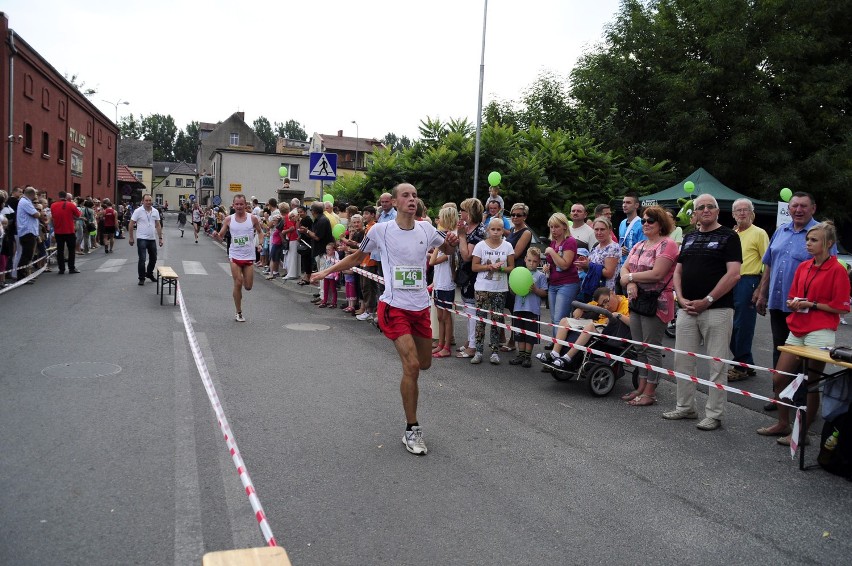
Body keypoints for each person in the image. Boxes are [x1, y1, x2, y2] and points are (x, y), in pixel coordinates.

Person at [310, 183, 459, 456]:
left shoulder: (427, 229)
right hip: (393, 307)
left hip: (420, 307)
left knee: (423, 364)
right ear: (395, 202)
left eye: (415, 195)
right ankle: (411, 428)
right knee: (412, 365)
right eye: (406, 195)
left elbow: (448, 252)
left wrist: (451, 244)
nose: (412, 199)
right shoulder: (380, 230)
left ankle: (410, 403)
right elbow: (357, 256)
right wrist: (324, 273)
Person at [756, 222, 850, 445]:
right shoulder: (804, 266)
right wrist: (794, 302)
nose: (808, 243)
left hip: (820, 331)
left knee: (811, 382)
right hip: (797, 328)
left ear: (829, 244)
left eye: (814, 240)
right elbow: (794, 295)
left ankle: (801, 433)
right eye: (808, 239)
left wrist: (813, 304)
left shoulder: (838, 269)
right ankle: (783, 423)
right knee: (779, 378)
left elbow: (842, 307)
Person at [663, 194, 742, 431]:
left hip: (717, 309)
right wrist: (681, 298)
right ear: (694, 213)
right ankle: (685, 407)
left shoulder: (729, 237)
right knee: (683, 360)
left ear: (718, 211)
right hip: (687, 309)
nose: (705, 210)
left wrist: (707, 300)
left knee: (717, 364)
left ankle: (714, 414)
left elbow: (734, 274)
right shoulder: (689, 237)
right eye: (700, 207)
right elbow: (677, 272)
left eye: (710, 207)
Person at [753, 191, 836, 411]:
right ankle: (780, 397)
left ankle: (801, 401)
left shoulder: (821, 234)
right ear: (788, 209)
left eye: (803, 206)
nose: (798, 210)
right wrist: (762, 292)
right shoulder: (781, 230)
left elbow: (830, 269)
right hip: (779, 302)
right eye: (794, 206)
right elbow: (769, 263)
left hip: (806, 309)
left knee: (805, 358)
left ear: (813, 208)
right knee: (779, 350)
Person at [619, 206, 679, 406]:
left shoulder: (667, 245)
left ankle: (650, 392)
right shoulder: (639, 245)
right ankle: (641, 387)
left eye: (650, 220)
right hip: (637, 300)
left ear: (661, 223)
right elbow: (624, 269)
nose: (645, 224)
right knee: (639, 347)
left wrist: (630, 278)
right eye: (643, 220)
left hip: (657, 303)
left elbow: (657, 274)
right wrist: (631, 282)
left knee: (651, 348)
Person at [727, 198, 769, 381]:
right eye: (738, 210)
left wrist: (760, 289)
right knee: (728, 327)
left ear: (753, 213)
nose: (742, 213)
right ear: (733, 214)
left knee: (742, 326)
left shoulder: (759, 233)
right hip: (730, 281)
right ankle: (747, 363)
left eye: (746, 210)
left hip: (748, 280)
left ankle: (740, 366)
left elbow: (768, 263)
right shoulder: (731, 233)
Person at [538, 286, 630, 370]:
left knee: (589, 326)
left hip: (613, 330)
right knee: (564, 321)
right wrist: (581, 309)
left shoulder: (626, 303)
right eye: (602, 305)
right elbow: (591, 305)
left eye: (606, 302)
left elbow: (633, 323)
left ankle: (568, 357)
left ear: (612, 293)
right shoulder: (601, 300)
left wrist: (619, 315)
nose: (606, 306)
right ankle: (555, 353)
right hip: (598, 324)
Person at [213, 194, 265, 322]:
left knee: (248, 286)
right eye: (237, 204)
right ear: (233, 205)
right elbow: (221, 236)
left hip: (248, 256)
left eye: (241, 204)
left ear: (246, 205)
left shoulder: (252, 218)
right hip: (235, 255)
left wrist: (260, 244)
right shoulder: (229, 219)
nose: (239, 206)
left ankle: (240, 299)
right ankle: (239, 312)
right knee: (238, 282)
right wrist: (216, 235)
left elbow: (260, 232)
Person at [471, 217, 515, 364]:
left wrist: (501, 268)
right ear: (488, 230)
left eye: (499, 229)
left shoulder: (508, 246)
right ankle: (478, 351)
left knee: (497, 321)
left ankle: (495, 351)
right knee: (480, 321)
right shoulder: (480, 246)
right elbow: (474, 267)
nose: (496, 232)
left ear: (503, 230)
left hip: (500, 288)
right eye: (493, 229)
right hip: (482, 288)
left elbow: (511, 267)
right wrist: (489, 267)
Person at [542, 212, 580, 346]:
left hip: (567, 283)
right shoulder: (553, 242)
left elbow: (564, 265)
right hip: (553, 283)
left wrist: (551, 252)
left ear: (564, 226)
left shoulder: (570, 241)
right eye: (551, 227)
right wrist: (548, 267)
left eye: (556, 227)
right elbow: (555, 263)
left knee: (559, 319)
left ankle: (558, 348)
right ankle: (557, 343)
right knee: (554, 318)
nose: (553, 230)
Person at [455, 198, 486, 358]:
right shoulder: (469, 228)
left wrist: (461, 237)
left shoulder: (479, 231)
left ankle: (473, 346)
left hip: (473, 277)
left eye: (464, 210)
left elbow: (467, 256)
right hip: (465, 276)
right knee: (468, 310)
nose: (461, 213)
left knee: (472, 312)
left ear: (471, 212)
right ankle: (469, 340)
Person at [509, 247, 548, 368]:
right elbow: (513, 290)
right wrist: (513, 288)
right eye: (530, 260)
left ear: (539, 262)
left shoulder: (540, 276)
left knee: (530, 335)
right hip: (518, 308)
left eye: (535, 261)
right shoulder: (518, 272)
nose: (532, 263)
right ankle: (520, 355)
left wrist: (536, 290)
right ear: (525, 259)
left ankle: (527, 356)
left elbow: (544, 293)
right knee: (519, 333)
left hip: (532, 310)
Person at [429, 206, 459, 359]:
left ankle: (447, 346)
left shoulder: (452, 238)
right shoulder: (446, 235)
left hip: (447, 282)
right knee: (440, 316)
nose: (438, 220)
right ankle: (440, 343)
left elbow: (434, 261)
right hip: (439, 281)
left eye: (440, 217)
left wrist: (436, 246)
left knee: (446, 316)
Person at [503, 203, 533, 351]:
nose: (515, 217)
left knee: (515, 308)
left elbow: (515, 253)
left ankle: (513, 341)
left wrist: (499, 258)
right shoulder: (512, 230)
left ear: (525, 216)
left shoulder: (526, 232)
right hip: (509, 270)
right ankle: (506, 338)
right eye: (513, 215)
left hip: (518, 272)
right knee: (507, 305)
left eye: (518, 215)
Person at [574, 217, 620, 297]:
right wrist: (583, 265)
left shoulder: (612, 247)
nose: (599, 232)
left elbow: (609, 273)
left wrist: (589, 265)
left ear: (609, 230)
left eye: (602, 229)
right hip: (593, 290)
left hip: (605, 294)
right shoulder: (596, 247)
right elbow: (590, 269)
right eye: (596, 229)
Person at [127, 194, 164, 286]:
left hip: (152, 238)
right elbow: (131, 224)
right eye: (146, 200)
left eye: (150, 200)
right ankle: (141, 278)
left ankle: (149, 273)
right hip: (141, 238)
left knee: (154, 258)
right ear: (142, 201)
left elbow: (158, 225)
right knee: (142, 259)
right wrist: (131, 237)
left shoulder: (155, 211)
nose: (148, 202)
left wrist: (160, 238)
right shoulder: (138, 211)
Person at [50, 191, 81, 274]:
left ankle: (61, 269)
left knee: (60, 250)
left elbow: (53, 216)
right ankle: (71, 268)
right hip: (69, 231)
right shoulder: (71, 205)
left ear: (59, 196)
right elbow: (78, 215)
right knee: (71, 250)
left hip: (58, 231)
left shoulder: (53, 205)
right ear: (67, 197)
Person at [15, 187, 42, 283]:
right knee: (26, 256)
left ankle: (26, 275)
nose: (35, 197)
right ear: (31, 194)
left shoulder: (25, 201)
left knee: (28, 255)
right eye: (35, 194)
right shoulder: (25, 202)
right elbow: (36, 214)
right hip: (27, 232)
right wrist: (39, 211)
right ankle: (21, 277)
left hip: (29, 232)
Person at [618, 191, 646, 273]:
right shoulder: (622, 223)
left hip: (636, 266)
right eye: (623, 202)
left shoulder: (642, 224)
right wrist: (620, 249)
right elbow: (621, 242)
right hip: (622, 265)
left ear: (636, 205)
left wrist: (630, 251)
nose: (624, 205)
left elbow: (644, 247)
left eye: (628, 203)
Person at [317, 242, 339, 308]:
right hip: (326, 275)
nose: (327, 251)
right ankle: (325, 301)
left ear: (333, 250)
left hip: (332, 276)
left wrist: (336, 274)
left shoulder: (335, 257)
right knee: (325, 289)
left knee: (333, 290)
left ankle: (334, 302)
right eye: (326, 249)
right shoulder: (325, 256)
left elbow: (337, 265)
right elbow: (324, 266)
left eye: (329, 249)